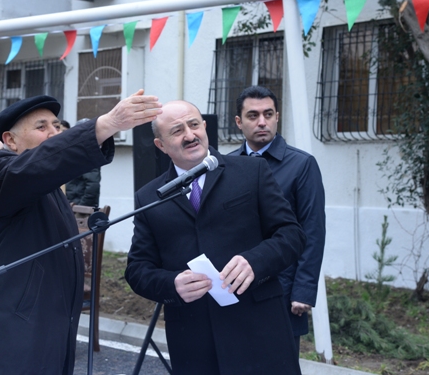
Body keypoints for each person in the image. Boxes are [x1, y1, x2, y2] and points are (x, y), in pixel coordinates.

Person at [0, 91, 161, 375]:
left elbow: (47, 166)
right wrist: (105, 125)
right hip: (4, 335)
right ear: (10, 140)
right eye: (41, 127)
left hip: (46, 329)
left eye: (57, 126)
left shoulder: (48, 186)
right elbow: (34, 167)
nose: (53, 133)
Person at [125, 100, 306, 375]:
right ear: (160, 145)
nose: (190, 135)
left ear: (205, 127)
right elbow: (137, 270)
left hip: (258, 329)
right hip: (193, 339)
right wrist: (172, 284)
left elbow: (292, 235)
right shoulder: (149, 197)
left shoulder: (251, 172)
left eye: (194, 125)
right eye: (177, 131)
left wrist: (255, 262)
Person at [230, 86, 326, 371]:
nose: (262, 122)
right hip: (237, 286)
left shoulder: (301, 165)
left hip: (282, 289)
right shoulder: (228, 165)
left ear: (277, 117)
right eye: (253, 115)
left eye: (268, 114)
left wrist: (303, 290)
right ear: (239, 122)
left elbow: (312, 230)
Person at [62, 119, 101, 207]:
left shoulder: (89, 154)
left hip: (80, 208)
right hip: (73, 205)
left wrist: (81, 207)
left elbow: (92, 186)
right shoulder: (75, 152)